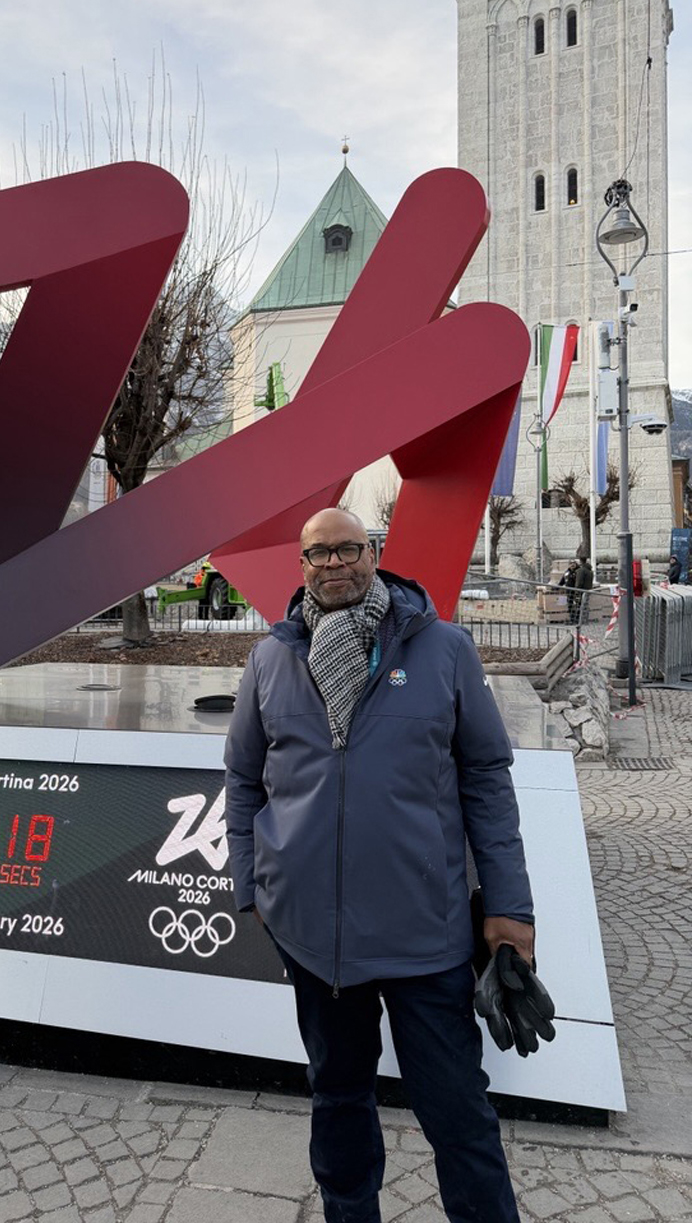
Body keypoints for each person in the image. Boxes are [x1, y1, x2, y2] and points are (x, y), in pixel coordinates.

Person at [225, 507, 534, 1223]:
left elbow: (487, 777)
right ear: (300, 566)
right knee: (338, 1106)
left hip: (426, 937)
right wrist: (255, 883)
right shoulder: (271, 659)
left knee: (458, 1114)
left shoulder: (444, 649)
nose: (333, 564)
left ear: (375, 553)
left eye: (347, 549)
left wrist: (509, 907)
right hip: (316, 942)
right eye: (317, 554)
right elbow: (242, 778)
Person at [573, 555, 594, 625]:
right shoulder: (590, 571)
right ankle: (585, 619)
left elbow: (579, 582)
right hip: (588, 590)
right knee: (585, 605)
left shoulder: (581, 571)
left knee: (579, 605)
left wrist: (576, 590)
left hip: (581, 590)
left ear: (580, 561)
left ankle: (579, 620)